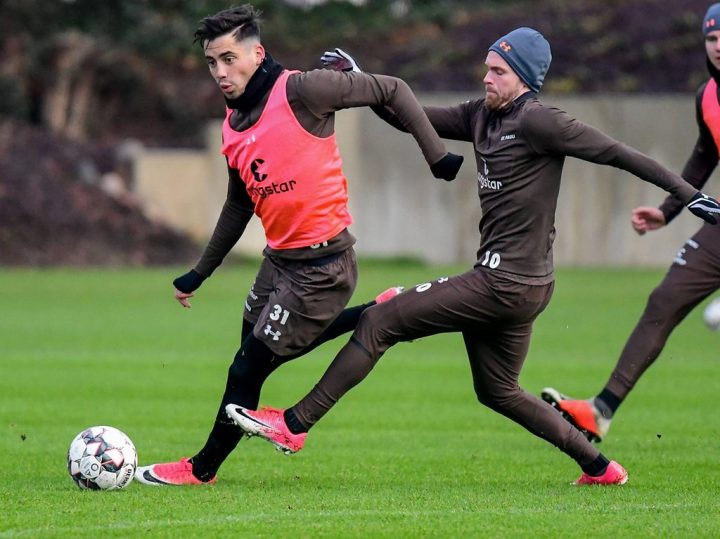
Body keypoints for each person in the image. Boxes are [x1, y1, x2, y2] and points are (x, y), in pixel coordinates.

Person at [227, 27, 720, 486]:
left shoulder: (541, 120)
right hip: (518, 286)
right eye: (486, 68)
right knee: (498, 390)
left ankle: (294, 423)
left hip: (506, 283)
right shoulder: (480, 114)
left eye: (498, 71)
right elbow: (408, 116)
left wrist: (684, 196)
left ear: (525, 78)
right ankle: (600, 467)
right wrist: (359, 78)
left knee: (380, 319)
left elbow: (618, 152)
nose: (487, 77)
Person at [134, 4, 463, 486]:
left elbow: (393, 88)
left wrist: (436, 154)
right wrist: (199, 273)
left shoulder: (304, 89)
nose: (220, 72)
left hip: (323, 266)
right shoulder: (232, 124)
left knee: (246, 368)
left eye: (229, 59)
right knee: (255, 354)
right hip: (278, 264)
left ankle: (201, 469)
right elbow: (237, 206)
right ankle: (374, 312)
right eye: (212, 62)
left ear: (256, 52)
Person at [540, 3, 720, 443]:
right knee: (664, 301)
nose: (719, 47)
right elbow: (704, 156)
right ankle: (601, 410)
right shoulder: (708, 97)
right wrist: (668, 209)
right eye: (713, 39)